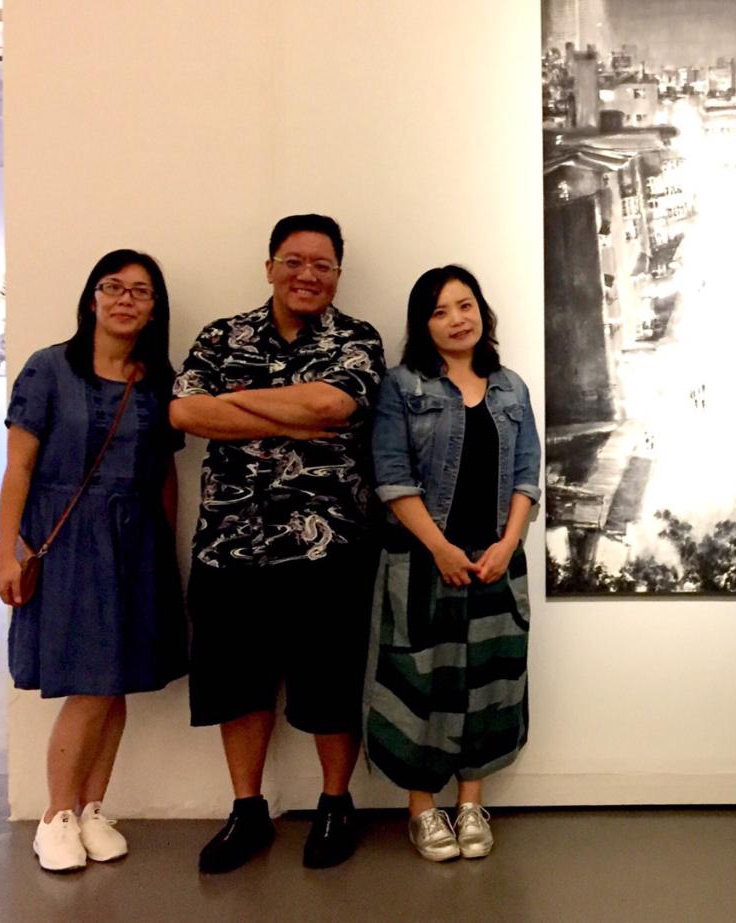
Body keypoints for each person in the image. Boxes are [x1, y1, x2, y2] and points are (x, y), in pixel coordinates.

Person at [169, 215, 385, 873]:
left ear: (338, 274)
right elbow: (183, 413)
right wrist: (287, 409)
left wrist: (234, 407)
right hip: (229, 549)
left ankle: (334, 802)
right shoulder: (221, 335)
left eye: (322, 264)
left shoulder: (357, 339)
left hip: (330, 550)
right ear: (269, 267)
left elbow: (332, 408)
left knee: (329, 684)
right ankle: (247, 809)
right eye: (294, 261)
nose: (308, 275)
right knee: (238, 686)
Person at [0, 249, 187, 873]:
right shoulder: (49, 368)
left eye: (141, 291)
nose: (126, 299)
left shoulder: (159, 379)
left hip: (138, 541)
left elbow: (164, 474)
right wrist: (8, 548)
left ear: (155, 308)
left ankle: (91, 808)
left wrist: (168, 546)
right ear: (92, 297)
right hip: (69, 537)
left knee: (118, 679)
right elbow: (18, 466)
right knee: (88, 683)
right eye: (114, 286)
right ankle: (55, 814)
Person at [365, 265, 540, 862]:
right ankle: (422, 808)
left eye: (464, 306)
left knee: (489, 682)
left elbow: (526, 479)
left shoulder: (512, 387)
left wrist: (507, 545)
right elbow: (391, 477)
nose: (456, 320)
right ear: (423, 325)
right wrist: (440, 547)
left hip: (495, 561)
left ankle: (470, 802)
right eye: (439, 311)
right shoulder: (402, 386)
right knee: (422, 682)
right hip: (421, 563)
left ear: (482, 313)